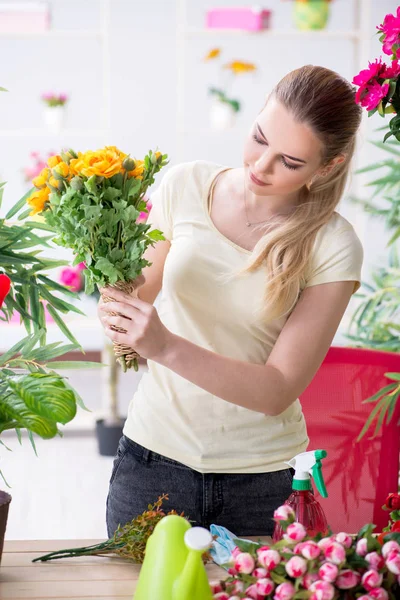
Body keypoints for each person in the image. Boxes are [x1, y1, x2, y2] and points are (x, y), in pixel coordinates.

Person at [98, 65, 363, 537]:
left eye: (290, 162)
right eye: (259, 138)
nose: (260, 166)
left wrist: (163, 346)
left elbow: (278, 388)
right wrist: (116, 302)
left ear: (329, 165)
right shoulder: (186, 187)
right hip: (151, 462)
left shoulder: (333, 244)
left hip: (263, 481)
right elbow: (141, 291)